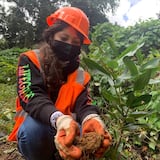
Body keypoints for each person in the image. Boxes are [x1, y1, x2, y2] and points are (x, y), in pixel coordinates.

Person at [8, 6, 112, 160]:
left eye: (75, 42)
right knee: (35, 131)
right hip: (39, 130)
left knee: (94, 137)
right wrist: (59, 119)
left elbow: (84, 104)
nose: (69, 45)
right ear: (51, 36)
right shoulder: (30, 60)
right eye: (63, 39)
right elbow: (31, 95)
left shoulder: (81, 75)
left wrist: (92, 118)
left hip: (68, 131)